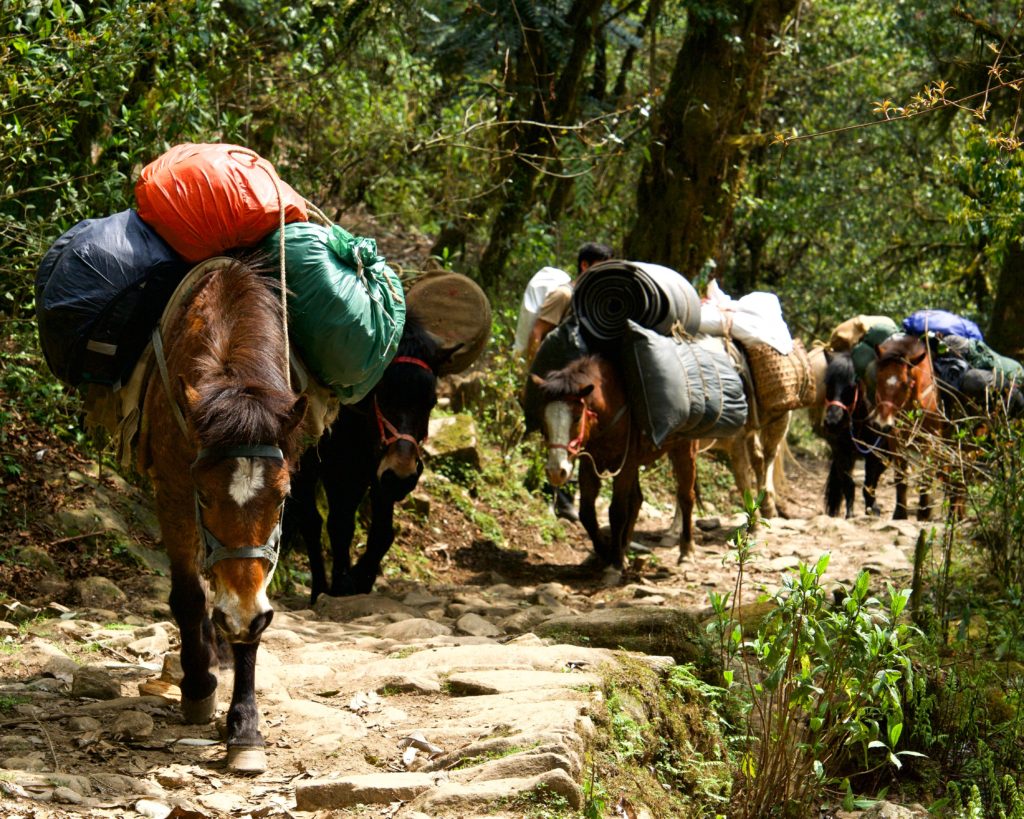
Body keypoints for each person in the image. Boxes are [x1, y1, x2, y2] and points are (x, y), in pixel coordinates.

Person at [523, 241, 614, 522]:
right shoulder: (564, 295)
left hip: (579, 389)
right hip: (557, 386)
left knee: (574, 439)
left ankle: (565, 500)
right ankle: (551, 497)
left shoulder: (594, 300)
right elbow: (538, 334)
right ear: (585, 265)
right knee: (556, 437)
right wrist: (537, 379)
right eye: (601, 266)